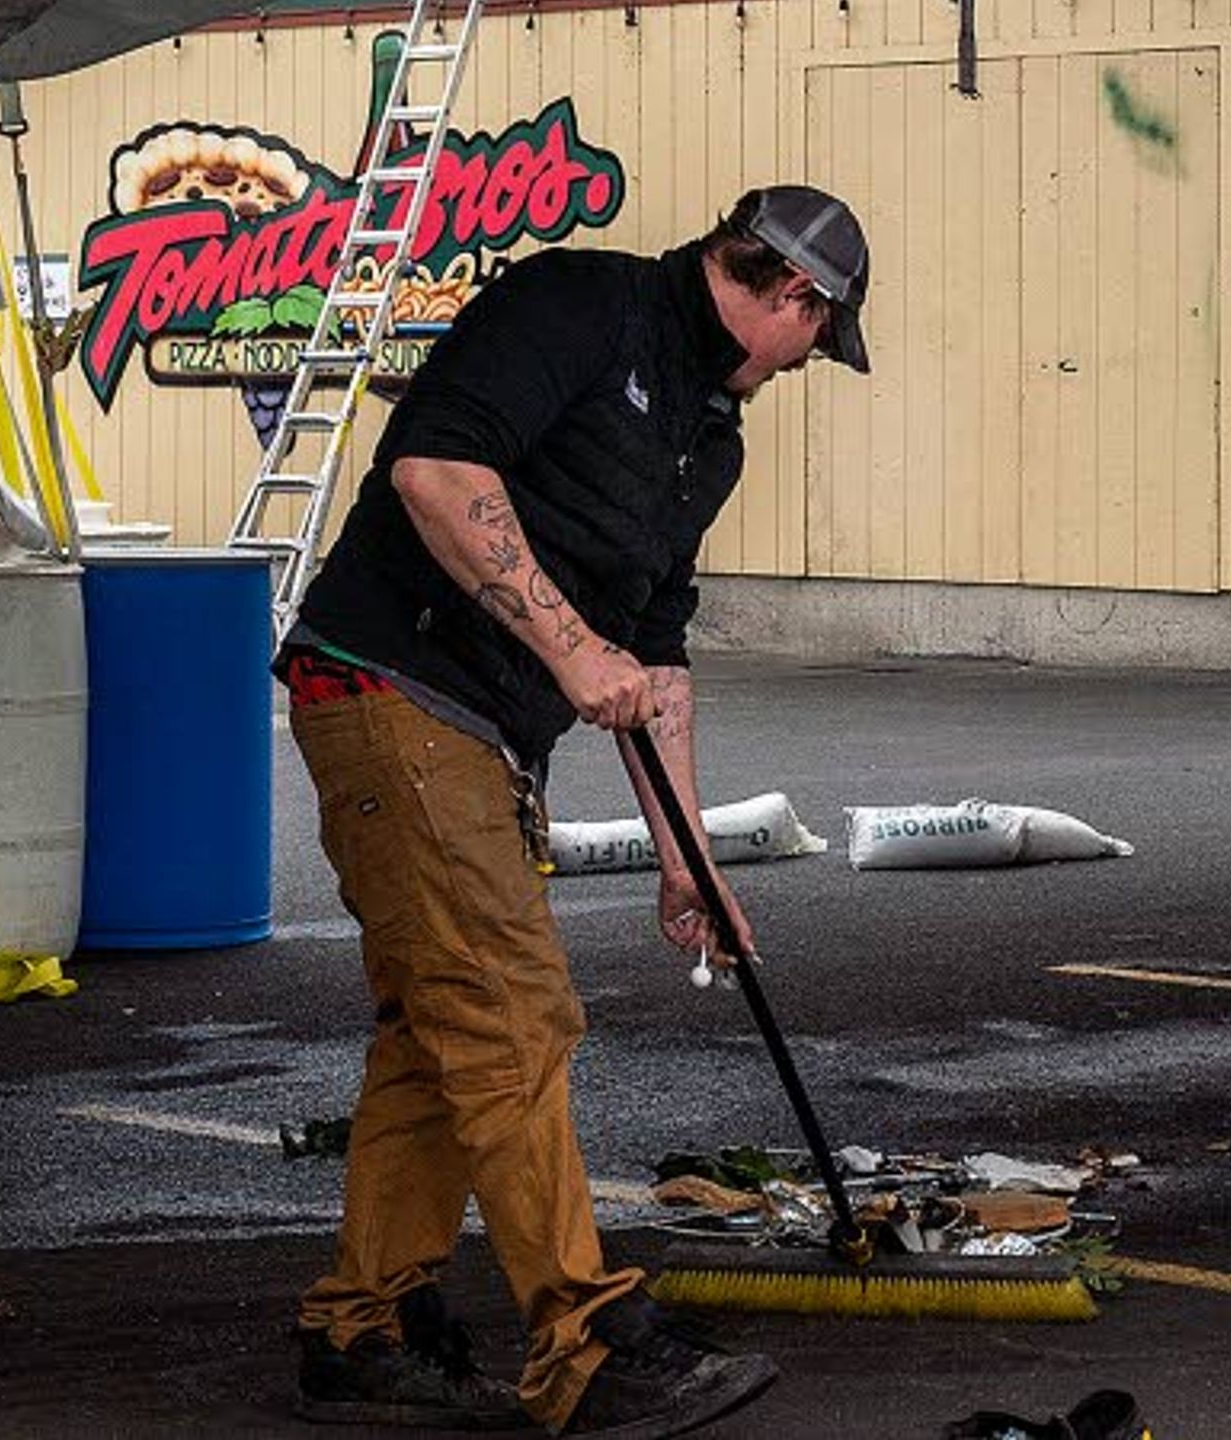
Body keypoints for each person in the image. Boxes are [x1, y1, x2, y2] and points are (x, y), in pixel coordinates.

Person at [278, 186, 873, 1438]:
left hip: (483, 732)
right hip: (392, 683)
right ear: (790, 295)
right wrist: (564, 646)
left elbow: (655, 661)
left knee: (436, 1026)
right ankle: (585, 1339)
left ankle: (361, 1328)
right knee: (509, 1010)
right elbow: (435, 469)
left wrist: (688, 862)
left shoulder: (710, 441)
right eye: (819, 334)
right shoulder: (580, 304)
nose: (810, 361)